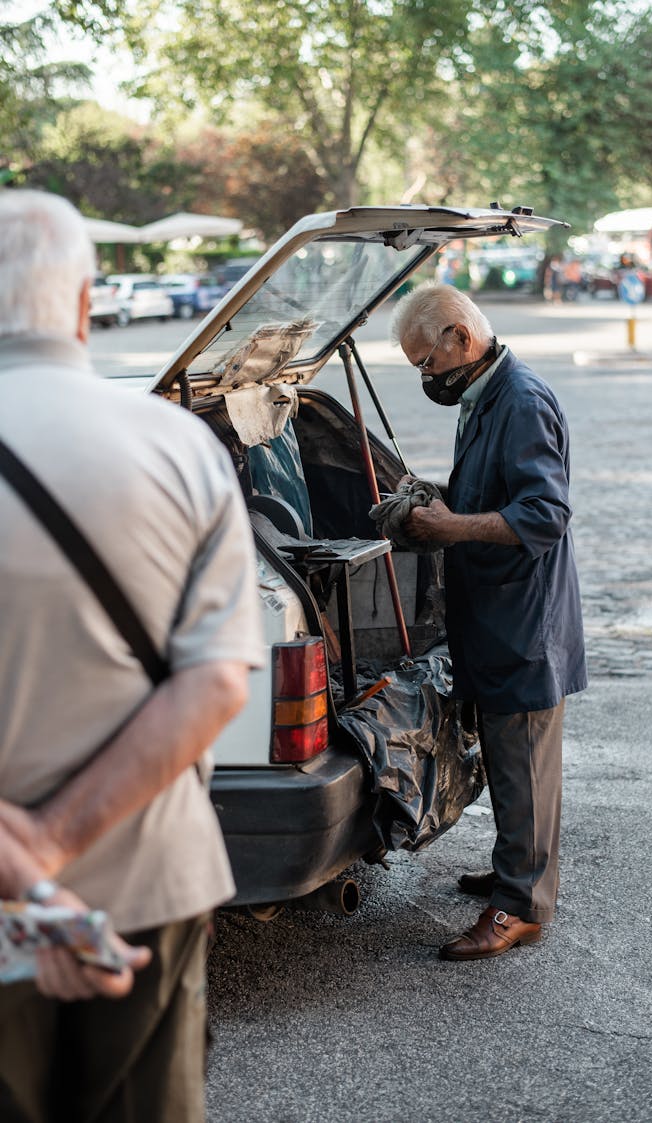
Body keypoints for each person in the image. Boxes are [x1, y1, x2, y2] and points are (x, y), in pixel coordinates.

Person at [0, 190, 265, 1121]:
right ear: (82, 304)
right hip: (151, 883)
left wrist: (26, 867)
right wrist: (58, 842)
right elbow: (217, 681)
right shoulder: (181, 447)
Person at [390, 282, 586, 962]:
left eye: (427, 365)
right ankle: (514, 872)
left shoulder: (522, 401)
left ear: (461, 339)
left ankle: (521, 905)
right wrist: (436, 500)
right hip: (497, 615)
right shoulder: (485, 395)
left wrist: (451, 526)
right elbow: (489, 492)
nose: (427, 378)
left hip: (523, 623)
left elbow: (544, 513)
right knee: (506, 759)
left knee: (525, 761)